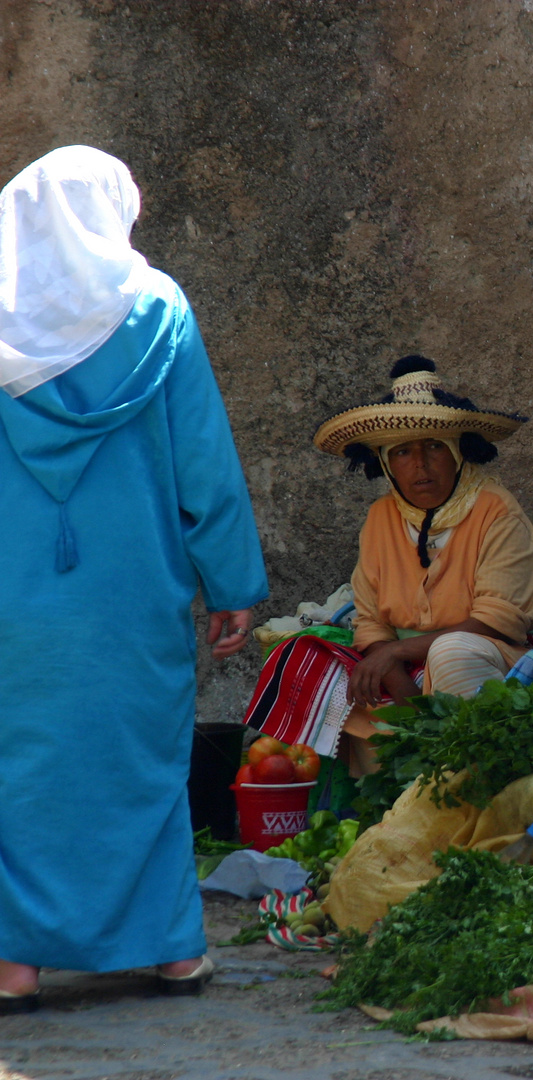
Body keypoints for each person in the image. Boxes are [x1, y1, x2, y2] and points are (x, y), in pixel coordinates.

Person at [0, 146, 268, 1004]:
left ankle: (15, 962)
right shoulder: (158, 308)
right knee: (142, 763)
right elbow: (204, 460)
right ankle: (172, 953)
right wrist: (232, 583)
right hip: (133, 592)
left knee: (21, 767)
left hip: (15, 599)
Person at [246, 357, 533, 775]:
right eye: (403, 452)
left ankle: (463, 772)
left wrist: (397, 652)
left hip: (492, 653)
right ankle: (380, 786)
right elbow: (370, 621)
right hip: (403, 665)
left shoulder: (496, 511)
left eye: (434, 447)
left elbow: (497, 622)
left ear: (458, 454)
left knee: (449, 652)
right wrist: (395, 675)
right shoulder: (381, 518)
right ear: (387, 464)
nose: (420, 464)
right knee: (296, 653)